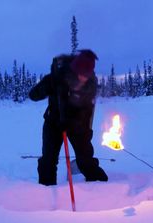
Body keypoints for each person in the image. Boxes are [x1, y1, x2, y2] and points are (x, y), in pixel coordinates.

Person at [29, 49, 108, 186]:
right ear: (74, 69)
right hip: (53, 122)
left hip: (78, 125)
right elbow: (33, 95)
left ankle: (100, 187)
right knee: (48, 159)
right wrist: (47, 85)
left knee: (85, 160)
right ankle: (45, 191)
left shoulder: (90, 84)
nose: (83, 78)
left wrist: (73, 122)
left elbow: (87, 110)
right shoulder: (57, 77)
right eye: (81, 74)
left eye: (87, 75)